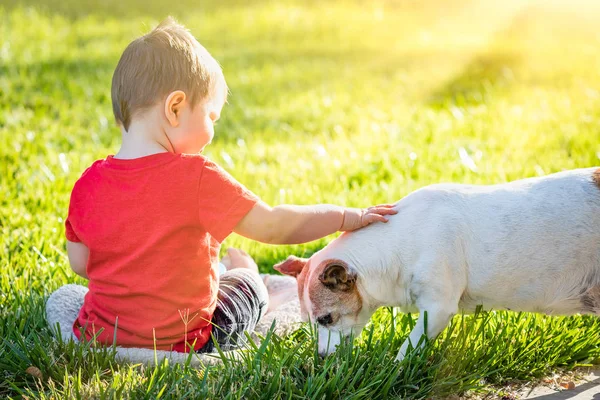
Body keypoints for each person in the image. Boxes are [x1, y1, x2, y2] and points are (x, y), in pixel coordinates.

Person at [60, 17, 396, 353]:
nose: (212, 133)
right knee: (246, 286)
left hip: (100, 335)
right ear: (175, 108)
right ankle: (245, 273)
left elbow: (81, 263)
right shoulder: (196, 175)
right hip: (184, 341)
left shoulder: (86, 184)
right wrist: (344, 217)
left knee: (68, 298)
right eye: (211, 118)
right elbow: (275, 226)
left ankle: (224, 272)